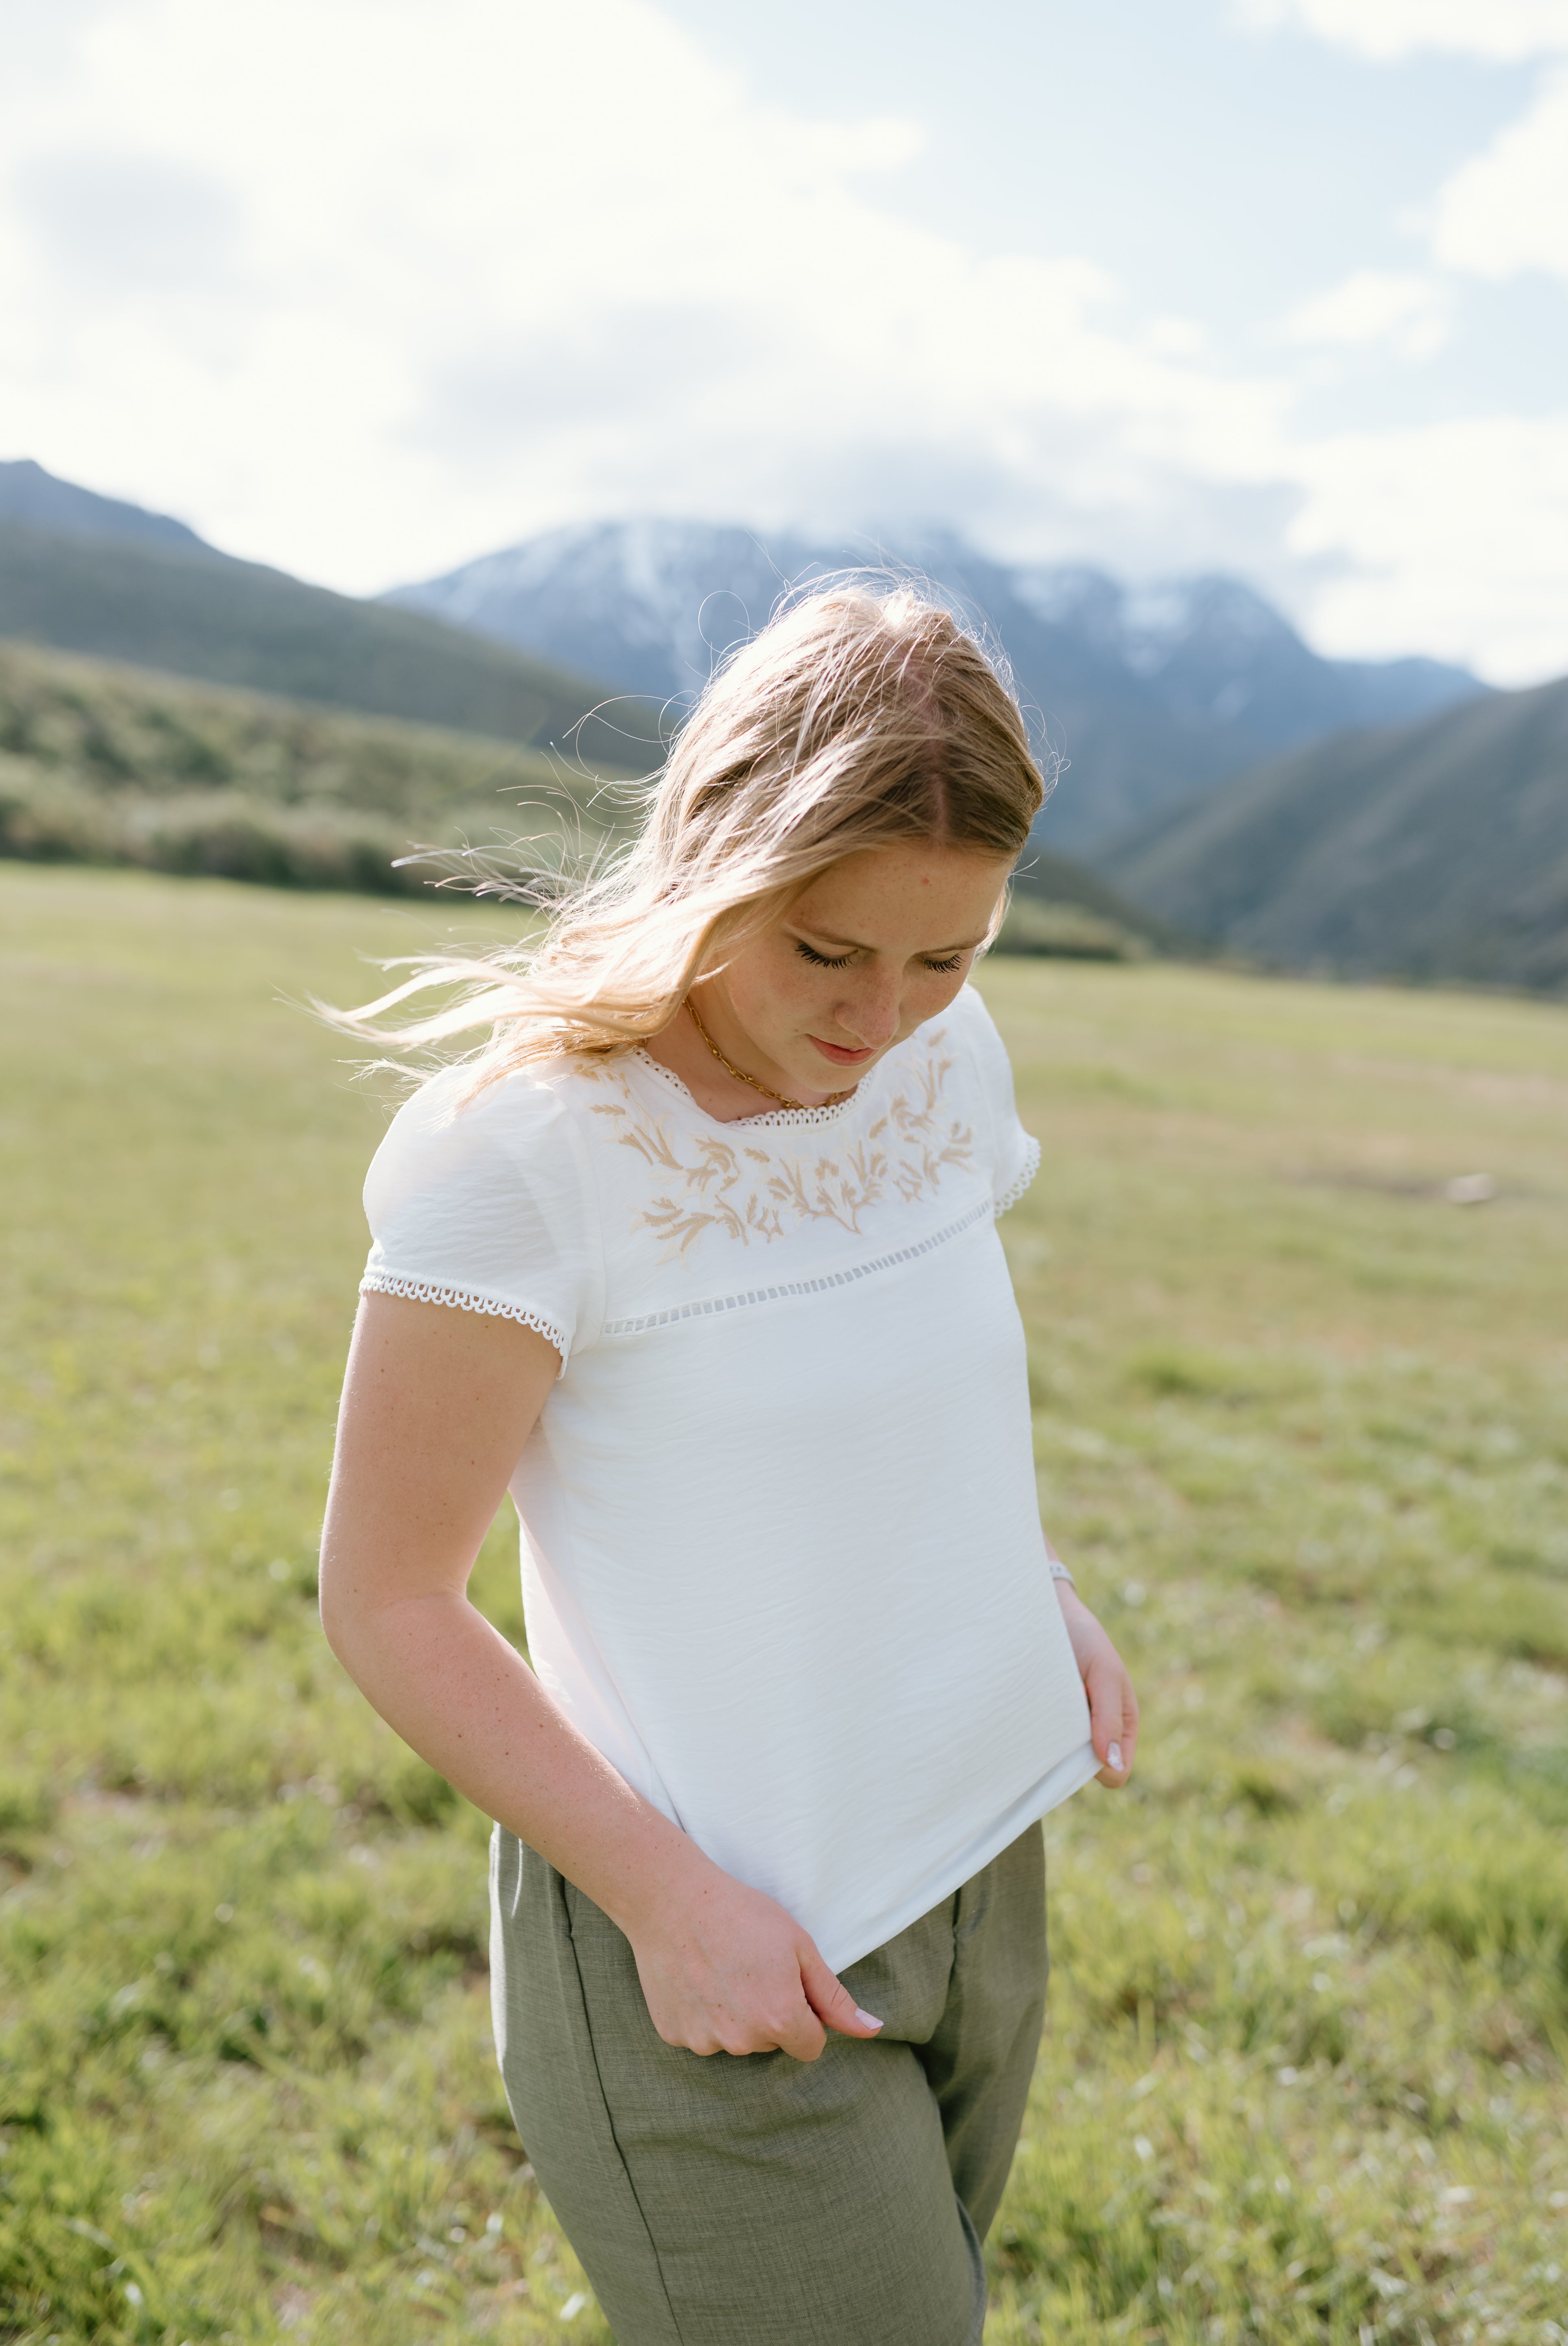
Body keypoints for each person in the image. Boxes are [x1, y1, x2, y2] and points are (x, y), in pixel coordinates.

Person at [318, 584, 1139, 2346]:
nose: (884, 1018)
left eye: (949, 954)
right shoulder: (522, 1152)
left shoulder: (943, 1062)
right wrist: (669, 1904)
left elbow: (906, 1385)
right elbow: (384, 1597)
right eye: (826, 952)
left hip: (982, 1863)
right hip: (713, 1934)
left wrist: (1031, 1588)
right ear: (710, 856)